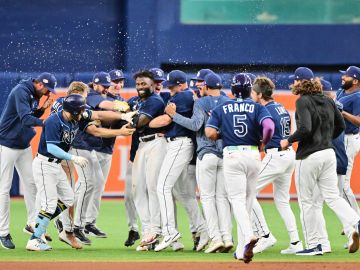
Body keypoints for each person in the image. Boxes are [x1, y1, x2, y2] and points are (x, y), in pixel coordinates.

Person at [280, 67, 360, 255]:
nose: (293, 83)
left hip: (309, 156)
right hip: (328, 154)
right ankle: (355, 221)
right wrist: (325, 138)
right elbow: (340, 125)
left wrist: (288, 140)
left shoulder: (302, 101)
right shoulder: (328, 100)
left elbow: (305, 129)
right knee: (332, 197)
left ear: (301, 82)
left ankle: (314, 245)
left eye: (296, 80)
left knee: (307, 202)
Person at [205, 73, 274, 263]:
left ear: (233, 89)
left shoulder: (222, 107)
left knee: (236, 200)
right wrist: (263, 143)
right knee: (249, 200)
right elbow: (269, 127)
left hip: (233, 154)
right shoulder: (257, 107)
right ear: (249, 89)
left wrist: (222, 134)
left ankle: (250, 235)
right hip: (253, 154)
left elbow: (209, 132)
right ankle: (242, 250)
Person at [165, 72, 233, 253]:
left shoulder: (201, 102)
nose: (199, 87)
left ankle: (215, 238)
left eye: (202, 85)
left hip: (207, 153)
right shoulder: (229, 102)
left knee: (208, 198)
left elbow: (195, 125)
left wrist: (174, 115)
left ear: (207, 87)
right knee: (223, 199)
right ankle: (227, 238)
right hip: (225, 155)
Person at [71, 72, 135, 245]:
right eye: (111, 83)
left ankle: (87, 222)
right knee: (84, 186)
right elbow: (103, 106)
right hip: (84, 144)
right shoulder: (90, 93)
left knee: (96, 184)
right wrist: (122, 109)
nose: (113, 86)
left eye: (119, 82)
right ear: (95, 84)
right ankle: (70, 223)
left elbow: (115, 117)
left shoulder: (116, 98)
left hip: (100, 146)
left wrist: (127, 117)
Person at [0, 72, 56, 249]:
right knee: (4, 189)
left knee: (32, 185)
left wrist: (41, 110)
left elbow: (28, 115)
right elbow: (25, 119)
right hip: (7, 144)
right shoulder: (21, 91)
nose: (48, 94)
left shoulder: (32, 93)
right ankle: (3, 232)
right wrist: (48, 121)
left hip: (23, 144)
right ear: (39, 84)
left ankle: (32, 223)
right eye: (47, 90)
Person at [249, 76, 302, 254]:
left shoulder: (265, 110)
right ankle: (295, 242)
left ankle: (265, 236)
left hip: (276, 155)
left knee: (246, 193)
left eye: (253, 92)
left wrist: (261, 143)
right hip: (288, 155)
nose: (251, 95)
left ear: (259, 94)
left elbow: (267, 132)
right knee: (282, 201)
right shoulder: (279, 106)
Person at [128, 70, 167, 251]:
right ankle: (147, 232)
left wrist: (125, 115)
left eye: (144, 84)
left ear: (153, 85)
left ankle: (156, 231)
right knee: (137, 190)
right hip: (141, 146)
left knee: (153, 187)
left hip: (156, 143)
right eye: (138, 84)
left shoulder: (155, 101)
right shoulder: (137, 101)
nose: (140, 87)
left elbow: (139, 122)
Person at [336, 66, 360, 216]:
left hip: (349, 140)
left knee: (343, 185)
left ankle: (356, 220)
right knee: (339, 185)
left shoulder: (358, 97)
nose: (343, 77)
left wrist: (342, 112)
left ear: (356, 80)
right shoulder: (341, 91)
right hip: (340, 139)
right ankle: (352, 219)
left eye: (347, 76)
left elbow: (358, 121)